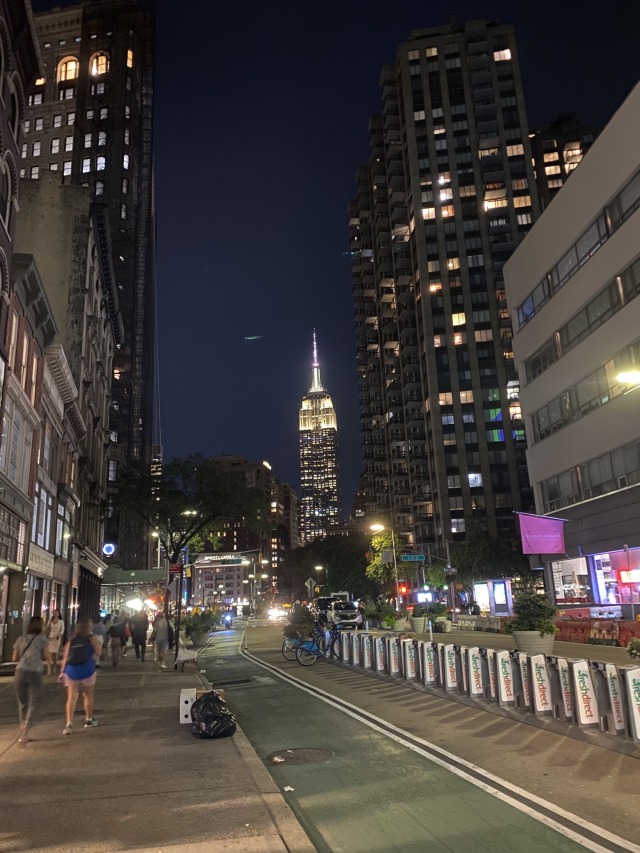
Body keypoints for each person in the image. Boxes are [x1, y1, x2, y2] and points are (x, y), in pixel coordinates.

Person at [58, 618, 101, 734]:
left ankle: (69, 724)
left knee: (71, 697)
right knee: (88, 695)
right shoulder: (92, 638)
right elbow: (98, 653)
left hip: (72, 670)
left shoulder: (72, 640)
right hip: (87, 669)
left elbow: (66, 657)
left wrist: (62, 671)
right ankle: (89, 720)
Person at [12, 617, 48, 744]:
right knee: (33, 702)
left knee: (22, 703)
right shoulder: (42, 639)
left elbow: (15, 658)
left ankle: (22, 726)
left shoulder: (20, 639)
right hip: (35, 672)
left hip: (20, 672)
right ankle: (25, 732)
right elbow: (46, 656)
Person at [45, 609, 65, 676]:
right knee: (49, 655)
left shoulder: (61, 622)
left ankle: (54, 667)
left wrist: (58, 635)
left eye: (57, 613)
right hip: (49, 639)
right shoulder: (50, 621)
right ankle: (49, 670)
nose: (55, 614)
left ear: (59, 614)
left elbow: (62, 631)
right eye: (54, 613)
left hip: (56, 639)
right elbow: (47, 629)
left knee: (54, 654)